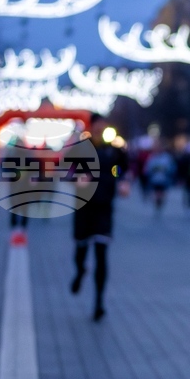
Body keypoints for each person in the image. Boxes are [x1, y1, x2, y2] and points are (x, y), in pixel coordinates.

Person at [70, 115, 128, 322]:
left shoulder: (113, 150)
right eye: (97, 125)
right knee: (81, 249)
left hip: (104, 207)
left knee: (101, 255)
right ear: (92, 126)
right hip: (84, 207)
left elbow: (119, 169)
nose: (100, 129)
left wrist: (121, 180)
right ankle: (80, 271)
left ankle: (99, 302)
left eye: (104, 125)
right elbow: (69, 169)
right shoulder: (81, 148)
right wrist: (77, 178)